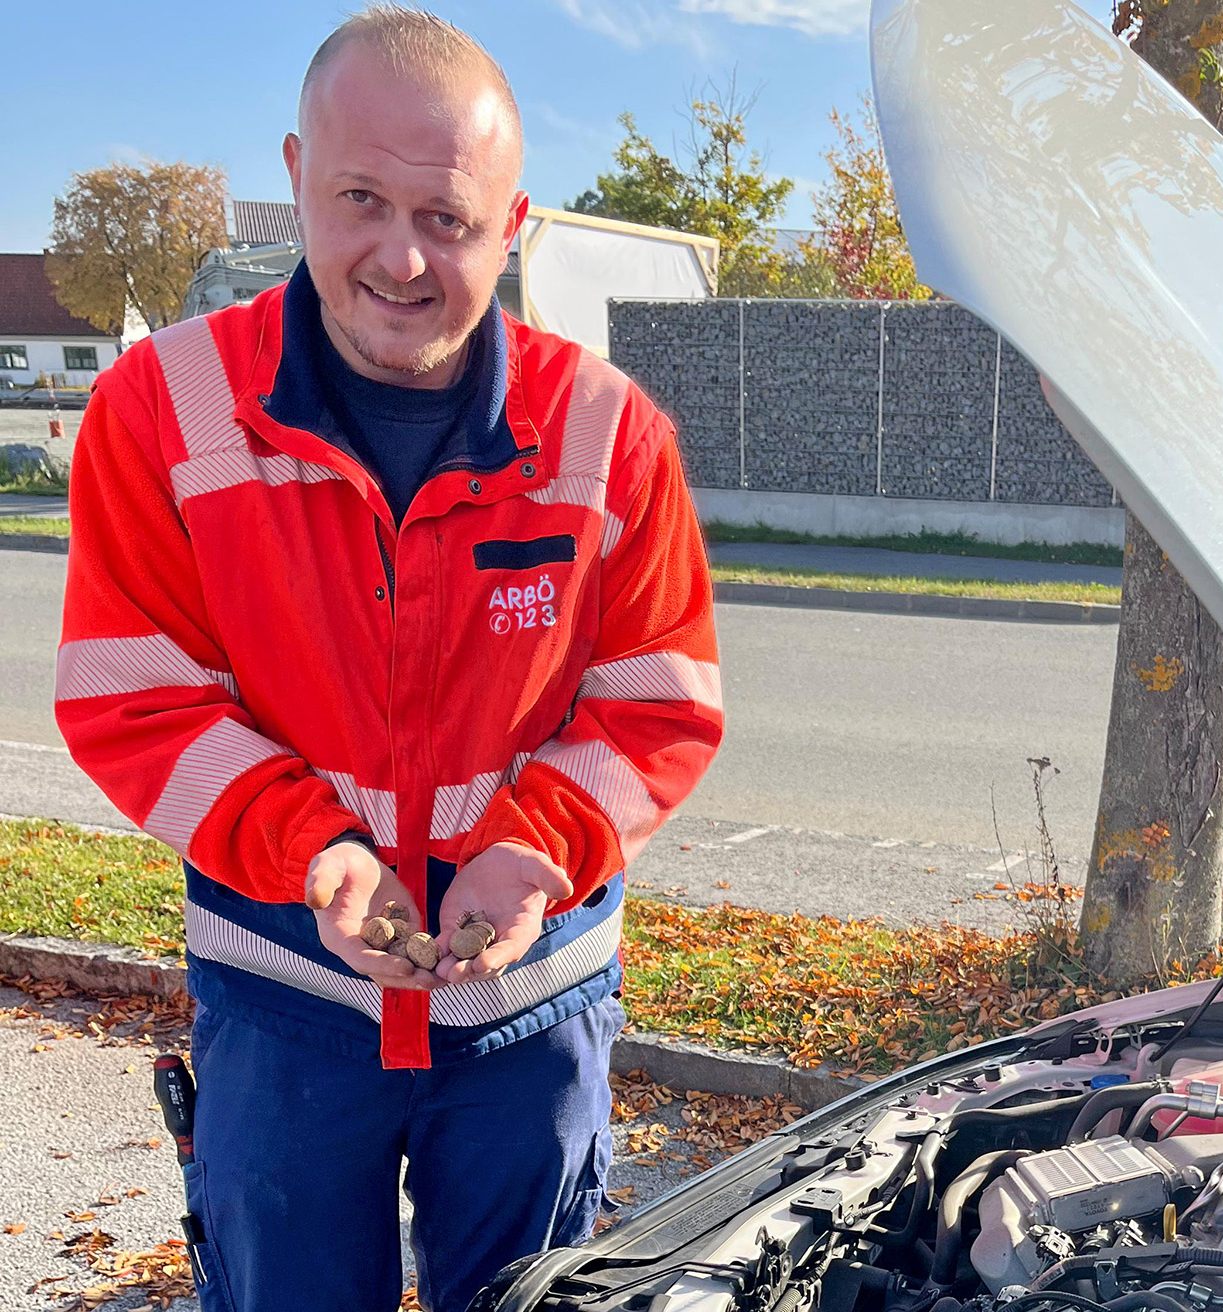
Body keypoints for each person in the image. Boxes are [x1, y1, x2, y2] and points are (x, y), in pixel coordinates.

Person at [54, 8, 722, 1309]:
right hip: (284, 995)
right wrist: (313, 851)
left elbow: (658, 703)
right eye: (360, 198)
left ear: (512, 225)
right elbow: (133, 698)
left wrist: (541, 843)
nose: (400, 257)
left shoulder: (606, 428)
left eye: (450, 219)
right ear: (297, 173)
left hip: (532, 1009)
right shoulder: (164, 406)